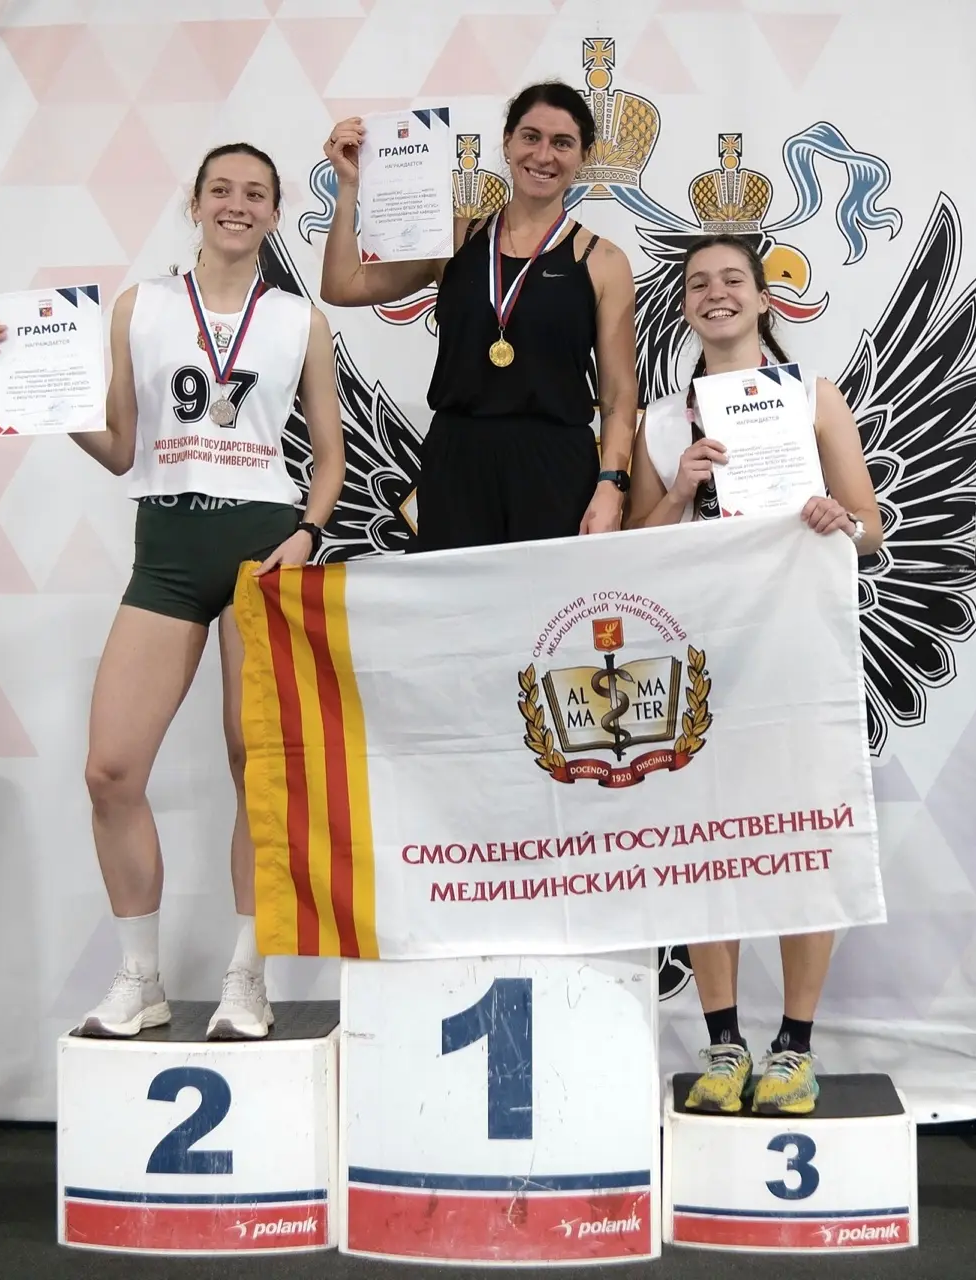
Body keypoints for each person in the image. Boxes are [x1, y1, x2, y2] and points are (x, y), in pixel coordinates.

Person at [0, 143, 346, 1041]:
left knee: (254, 766)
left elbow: (331, 462)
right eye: (221, 189)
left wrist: (306, 534)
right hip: (169, 548)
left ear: (273, 212)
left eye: (255, 194)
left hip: (262, 549)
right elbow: (118, 448)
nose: (236, 204)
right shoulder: (140, 308)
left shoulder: (299, 319)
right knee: (110, 771)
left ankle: (248, 976)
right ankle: (140, 977)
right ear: (195, 202)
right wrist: (27, 382)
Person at [628, 233, 883, 1115]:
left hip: (797, 643)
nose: (717, 293)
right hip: (702, 653)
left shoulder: (813, 397)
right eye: (699, 283)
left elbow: (871, 527)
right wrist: (680, 487)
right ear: (684, 306)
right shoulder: (662, 421)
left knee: (806, 834)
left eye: (733, 279)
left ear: (764, 299)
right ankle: (724, 1044)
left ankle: (795, 1048)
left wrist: (837, 518)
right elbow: (633, 549)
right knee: (707, 842)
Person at [319, 82, 637, 549]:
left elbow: (618, 394)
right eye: (530, 137)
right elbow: (341, 285)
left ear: (583, 157)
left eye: (562, 142)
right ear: (507, 143)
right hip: (457, 461)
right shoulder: (451, 240)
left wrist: (612, 483)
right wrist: (348, 187)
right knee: (456, 598)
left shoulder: (603, 260)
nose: (543, 155)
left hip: (555, 466)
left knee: (547, 599)